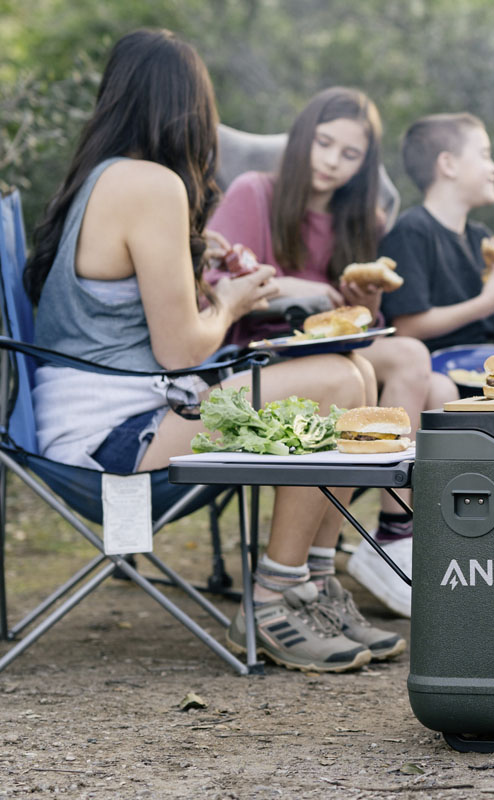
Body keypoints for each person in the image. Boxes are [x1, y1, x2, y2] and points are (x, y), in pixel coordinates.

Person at [25, 29, 404, 672]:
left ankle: (311, 585)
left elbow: (131, 308)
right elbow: (181, 351)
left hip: (114, 418)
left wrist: (197, 262)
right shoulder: (151, 185)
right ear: (187, 108)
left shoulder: (107, 178)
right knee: (338, 383)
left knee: (358, 371)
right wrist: (232, 302)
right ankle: (275, 600)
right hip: (115, 438)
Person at [208, 87, 435, 618]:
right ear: (302, 139)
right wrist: (287, 287)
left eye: (349, 154)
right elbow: (209, 279)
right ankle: (321, 562)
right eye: (323, 143)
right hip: (256, 356)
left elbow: (367, 329)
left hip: (336, 358)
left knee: (410, 358)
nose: (332, 161)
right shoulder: (254, 192)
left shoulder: (365, 224)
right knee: (352, 372)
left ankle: (395, 532)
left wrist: (367, 305)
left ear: (364, 166)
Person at [378, 112, 494, 404]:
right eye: (485, 155)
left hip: (486, 373)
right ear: (448, 164)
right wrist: (486, 304)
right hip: (434, 373)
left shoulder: (484, 240)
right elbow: (407, 327)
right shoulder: (412, 231)